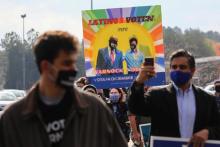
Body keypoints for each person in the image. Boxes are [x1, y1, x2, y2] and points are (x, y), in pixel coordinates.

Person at [0, 31, 127, 147]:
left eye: (73, 63)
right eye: (66, 63)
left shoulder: (94, 109)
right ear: (46, 66)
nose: (74, 69)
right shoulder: (13, 118)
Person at [128, 49, 220, 147]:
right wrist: (139, 82)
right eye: (174, 67)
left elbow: (217, 126)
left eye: (182, 67)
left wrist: (207, 132)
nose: (177, 70)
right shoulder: (156, 95)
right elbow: (135, 108)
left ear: (192, 71)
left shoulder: (207, 99)